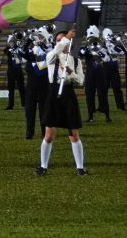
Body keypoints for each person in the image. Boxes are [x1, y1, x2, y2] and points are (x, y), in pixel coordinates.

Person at [38, 31, 88, 176]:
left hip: (68, 94)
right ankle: (43, 166)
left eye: (62, 40)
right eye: (57, 40)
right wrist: (67, 37)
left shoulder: (76, 61)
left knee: (74, 134)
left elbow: (80, 81)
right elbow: (56, 50)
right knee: (49, 135)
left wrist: (70, 72)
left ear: (69, 44)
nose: (60, 43)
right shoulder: (51, 56)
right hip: (53, 94)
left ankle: (80, 167)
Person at [4, 37, 27, 110]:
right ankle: (10, 105)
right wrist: (11, 47)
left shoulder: (18, 48)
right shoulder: (8, 49)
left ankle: (24, 104)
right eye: (10, 42)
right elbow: (6, 52)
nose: (11, 43)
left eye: (12, 42)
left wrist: (19, 47)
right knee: (10, 89)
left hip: (18, 70)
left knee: (21, 88)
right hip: (10, 71)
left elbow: (23, 57)